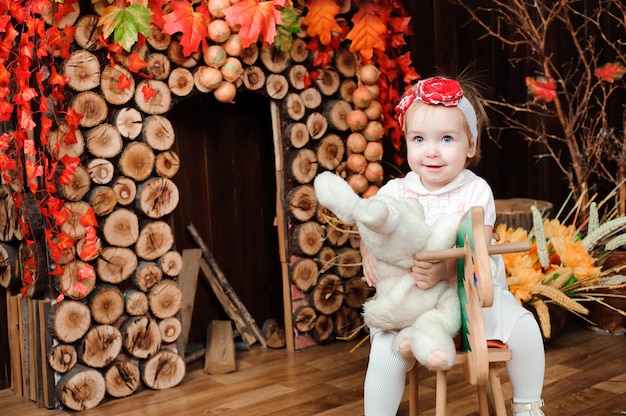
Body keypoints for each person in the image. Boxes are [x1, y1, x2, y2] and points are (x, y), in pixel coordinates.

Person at [361, 76, 546, 416]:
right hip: (411, 301)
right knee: (385, 352)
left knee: (527, 331)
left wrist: (445, 269)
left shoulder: (476, 192)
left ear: (470, 145)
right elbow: (369, 225)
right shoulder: (394, 193)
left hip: (472, 300)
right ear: (407, 142)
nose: (431, 150)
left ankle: (527, 405)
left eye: (446, 138)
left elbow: (477, 247)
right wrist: (368, 251)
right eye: (419, 139)